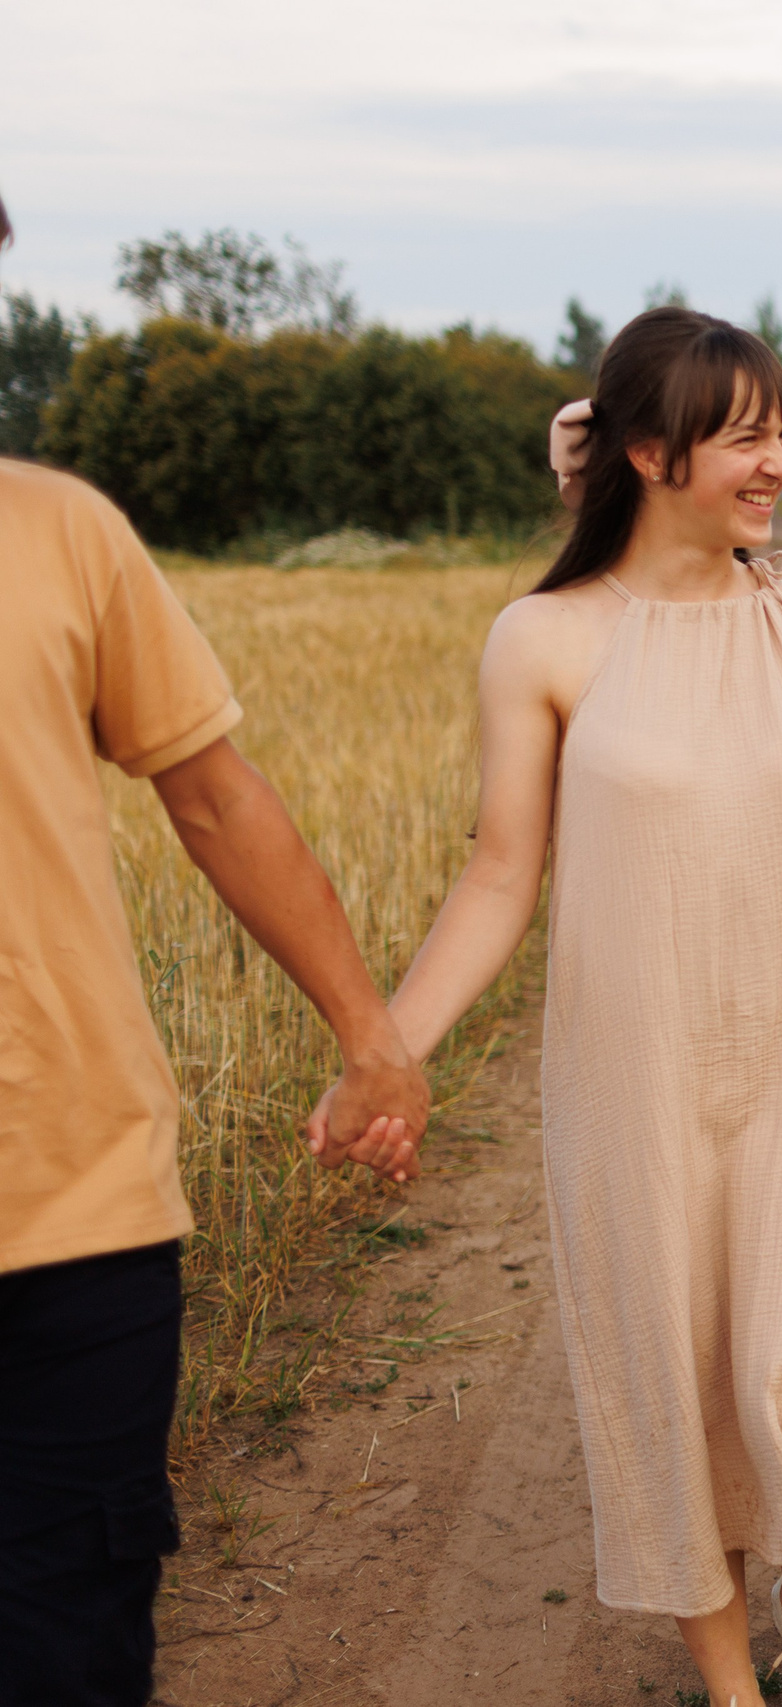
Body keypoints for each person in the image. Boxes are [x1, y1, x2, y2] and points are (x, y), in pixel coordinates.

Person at [382, 308, 782, 1707]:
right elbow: (501, 875)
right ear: (649, 452)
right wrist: (384, 1046)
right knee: (668, 1368)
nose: (779, 457)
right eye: (747, 432)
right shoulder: (548, 640)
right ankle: (731, 1678)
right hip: (638, 1077)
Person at [0, 197, 430, 1706]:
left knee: (70, 1643)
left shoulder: (62, 531)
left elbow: (214, 791)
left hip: (75, 1211)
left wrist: (371, 1030)